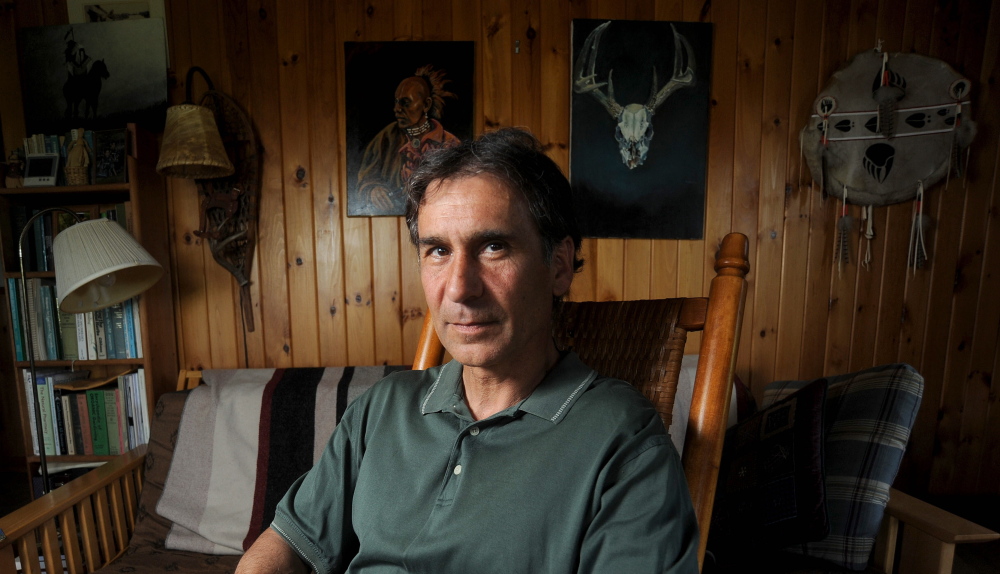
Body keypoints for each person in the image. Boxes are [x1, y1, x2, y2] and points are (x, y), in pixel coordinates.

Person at [236, 128, 698, 574]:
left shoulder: (624, 441)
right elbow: (284, 545)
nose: (459, 288)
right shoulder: (382, 408)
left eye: (493, 246)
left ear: (558, 266)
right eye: (437, 250)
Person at [355, 65, 460, 215]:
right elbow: (364, 180)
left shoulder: (450, 143)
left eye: (405, 102)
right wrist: (372, 191)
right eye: (396, 102)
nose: (396, 109)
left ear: (426, 104)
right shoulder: (385, 138)